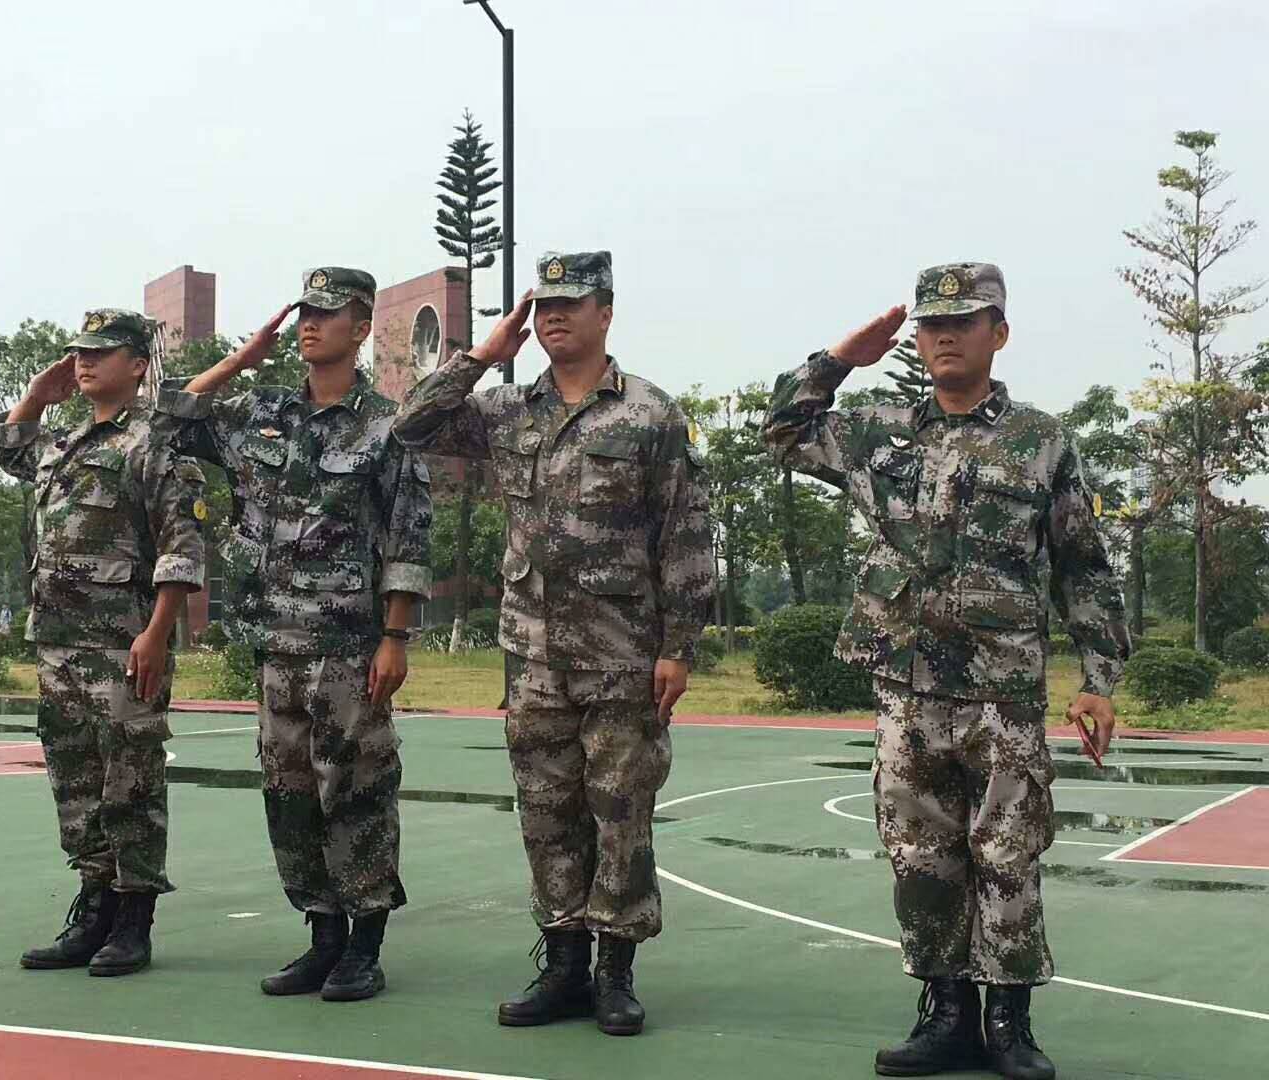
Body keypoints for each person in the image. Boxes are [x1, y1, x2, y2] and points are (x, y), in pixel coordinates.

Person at [763, 264, 1129, 1079]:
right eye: (931, 325)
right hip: (907, 682)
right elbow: (783, 428)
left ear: (998, 333)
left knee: (1009, 850)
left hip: (1003, 687)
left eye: (965, 322)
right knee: (920, 853)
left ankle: (1009, 1018)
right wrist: (840, 357)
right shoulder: (877, 429)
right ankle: (946, 1011)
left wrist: (1098, 678)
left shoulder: (1042, 441)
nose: (945, 336)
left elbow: (1083, 566)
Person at [393, 251, 713, 1036]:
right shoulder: (505, 409)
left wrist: (679, 645)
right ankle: (563, 962)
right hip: (532, 653)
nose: (554, 318)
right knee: (545, 811)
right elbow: (410, 426)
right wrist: (480, 356)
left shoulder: (649, 414)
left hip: (622, 653)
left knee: (620, 813)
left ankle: (615, 970)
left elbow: (686, 535)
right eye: (542, 307)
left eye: (572, 304)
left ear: (607, 312)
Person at [156, 267, 432, 1002]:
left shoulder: (386, 426)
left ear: (362, 327)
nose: (310, 323)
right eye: (304, 312)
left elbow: (408, 537)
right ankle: (321, 935)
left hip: (348, 643)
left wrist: (396, 636)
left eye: (327, 313)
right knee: (289, 790)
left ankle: (364, 943)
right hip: (272, 640)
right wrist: (244, 359)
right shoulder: (259, 413)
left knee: (357, 788)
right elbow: (171, 416)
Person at [0, 308, 206, 977]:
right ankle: (92, 907)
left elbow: (182, 547)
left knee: (130, 777)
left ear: (138, 365)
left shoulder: (157, 440)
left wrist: (156, 633)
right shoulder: (67, 439)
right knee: (76, 778)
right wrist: (35, 394)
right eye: (79, 352)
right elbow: (9, 451)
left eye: (101, 352)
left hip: (123, 642)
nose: (84, 362)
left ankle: (133, 917)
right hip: (59, 644)